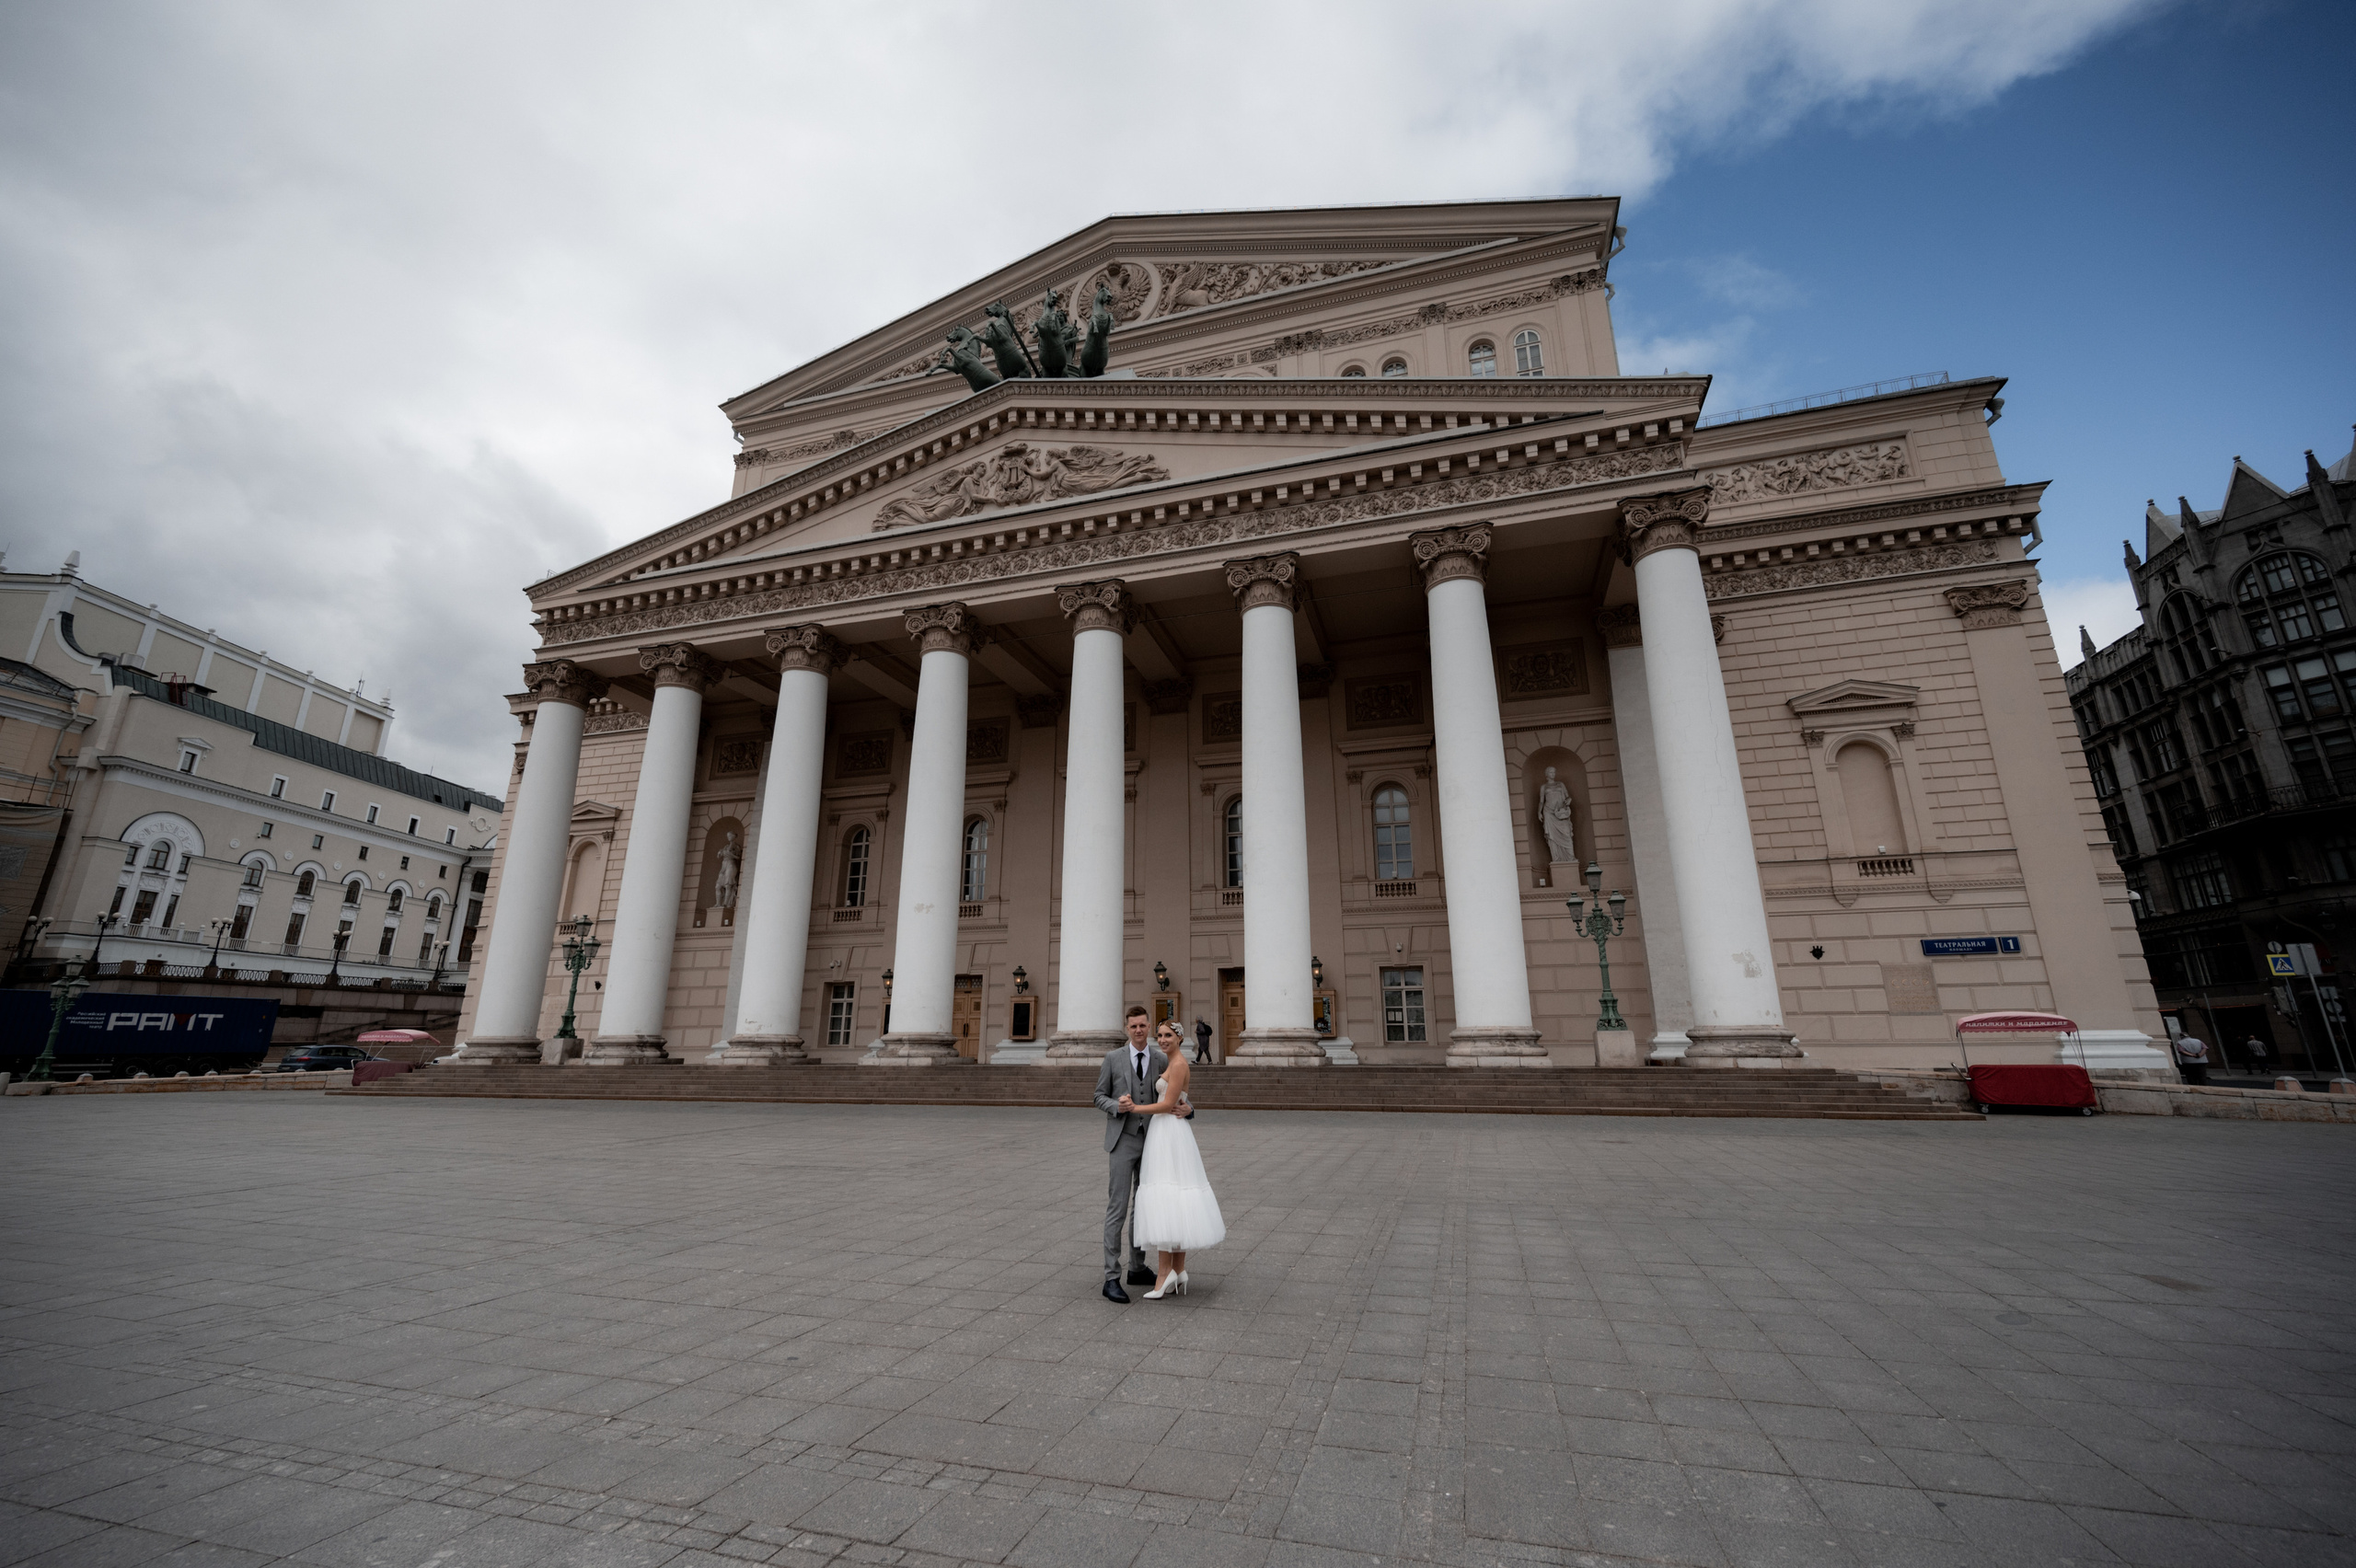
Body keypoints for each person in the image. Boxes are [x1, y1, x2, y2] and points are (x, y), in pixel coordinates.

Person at [1131, 1019, 1225, 1299]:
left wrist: (1135, 1107)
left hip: (1167, 1131)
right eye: (1159, 1035)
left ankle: (1164, 1275)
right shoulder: (1172, 1063)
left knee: (1167, 1195)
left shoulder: (1180, 1064)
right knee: (1176, 1196)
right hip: (1169, 1130)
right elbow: (1179, 1102)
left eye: (1168, 1035)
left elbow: (1168, 1104)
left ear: (1180, 1038)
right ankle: (1178, 1270)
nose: (1162, 1039)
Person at [1094, 1006, 1164, 1304]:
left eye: (1143, 1026)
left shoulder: (1159, 1058)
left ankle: (1137, 1266)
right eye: (1133, 1026)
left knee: (1143, 1206)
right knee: (1118, 1208)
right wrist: (1116, 1106)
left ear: (1148, 1027)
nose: (1138, 1030)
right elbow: (1098, 1095)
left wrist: (1189, 1110)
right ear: (1127, 1029)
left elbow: (1174, 1092)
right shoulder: (1113, 1059)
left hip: (1152, 1140)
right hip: (1122, 1141)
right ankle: (1111, 1277)